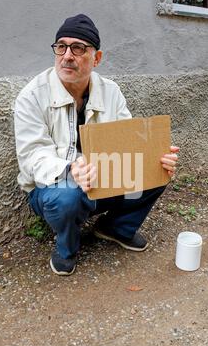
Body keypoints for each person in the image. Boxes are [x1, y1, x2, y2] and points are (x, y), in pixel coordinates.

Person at [14, 14, 179, 276]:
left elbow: (128, 139)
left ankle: (115, 228)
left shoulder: (110, 91)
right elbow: (32, 157)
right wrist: (70, 168)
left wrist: (155, 157)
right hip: (52, 187)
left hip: (102, 177)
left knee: (156, 171)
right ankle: (66, 246)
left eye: (78, 48)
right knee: (68, 195)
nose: (67, 55)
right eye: (61, 47)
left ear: (97, 58)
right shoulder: (32, 96)